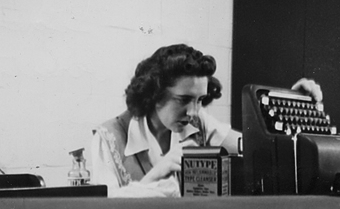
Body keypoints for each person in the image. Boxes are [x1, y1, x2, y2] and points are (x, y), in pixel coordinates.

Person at [91, 44, 322, 197]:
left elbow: (256, 146)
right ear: (154, 94)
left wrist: (288, 104)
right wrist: (155, 175)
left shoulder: (199, 122)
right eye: (183, 100)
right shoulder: (109, 137)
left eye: (200, 100)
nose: (193, 111)